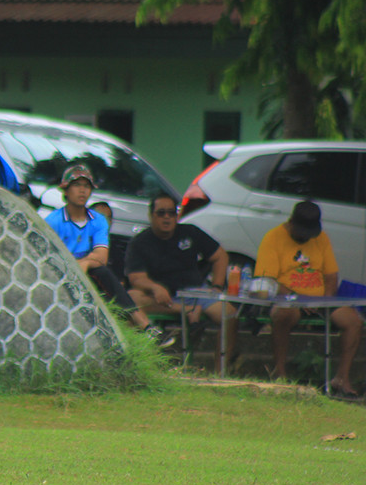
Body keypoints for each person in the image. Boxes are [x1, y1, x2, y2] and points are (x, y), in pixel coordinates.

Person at [45, 164, 173, 347]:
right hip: (60, 275)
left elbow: (102, 256)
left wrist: (85, 263)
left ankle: (140, 335)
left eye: (86, 186)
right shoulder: (53, 221)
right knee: (104, 279)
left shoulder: (97, 221)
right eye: (77, 185)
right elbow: (49, 258)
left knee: (102, 274)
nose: (82, 190)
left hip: (91, 275)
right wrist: (81, 264)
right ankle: (144, 327)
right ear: (65, 190)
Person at [254, 200, 363, 396]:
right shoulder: (273, 238)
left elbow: (331, 276)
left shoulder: (321, 238)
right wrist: (299, 299)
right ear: (292, 223)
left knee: (353, 321)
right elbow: (269, 280)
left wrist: (325, 301)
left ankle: (341, 378)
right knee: (282, 315)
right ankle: (280, 374)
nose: (306, 237)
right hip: (289, 299)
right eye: (302, 232)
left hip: (319, 300)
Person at [125, 193, 238, 370]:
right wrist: (155, 287)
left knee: (229, 314)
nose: (167, 217)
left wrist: (217, 285)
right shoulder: (140, 242)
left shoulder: (190, 232)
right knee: (131, 298)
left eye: (172, 212)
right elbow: (136, 278)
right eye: (161, 213)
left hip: (194, 291)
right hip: (162, 296)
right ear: (151, 215)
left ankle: (221, 370)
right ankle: (187, 311)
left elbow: (220, 256)